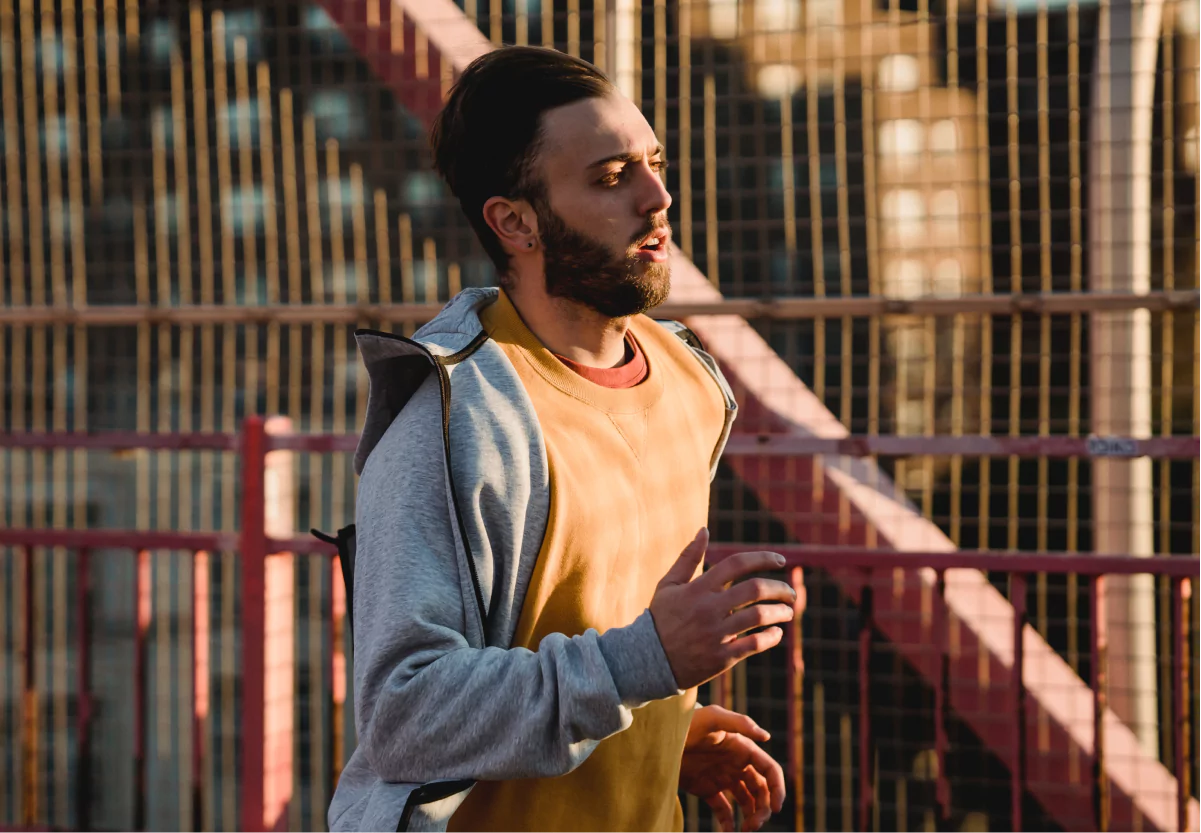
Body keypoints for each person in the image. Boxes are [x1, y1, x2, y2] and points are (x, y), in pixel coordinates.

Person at [327, 46, 803, 833]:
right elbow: (404, 717)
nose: (659, 196)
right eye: (610, 178)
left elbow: (601, 640)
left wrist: (654, 729)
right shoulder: (453, 415)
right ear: (514, 222)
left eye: (652, 163)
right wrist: (643, 665)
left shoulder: (690, 380)